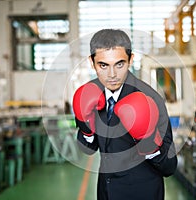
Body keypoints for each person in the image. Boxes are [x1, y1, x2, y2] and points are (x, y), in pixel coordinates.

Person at [73, 29, 177, 200]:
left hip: (141, 194)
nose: (112, 74)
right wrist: (86, 129)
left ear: (130, 60)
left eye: (119, 64)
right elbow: (88, 149)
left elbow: (169, 167)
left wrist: (149, 144)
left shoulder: (150, 99)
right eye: (103, 65)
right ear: (92, 62)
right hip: (105, 193)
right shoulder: (90, 95)